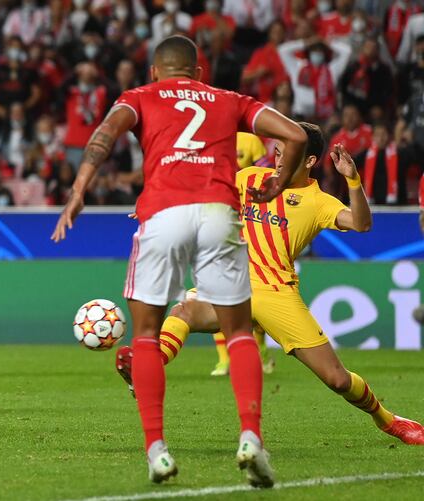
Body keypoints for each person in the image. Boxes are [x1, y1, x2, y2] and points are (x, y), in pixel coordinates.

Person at [51, 35, 308, 487]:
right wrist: (279, 181)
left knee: (147, 335)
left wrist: (78, 190)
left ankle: (157, 451)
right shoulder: (229, 99)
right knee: (240, 331)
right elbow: (297, 134)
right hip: (218, 212)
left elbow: (103, 136)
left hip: (163, 213)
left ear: (154, 71)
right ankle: (250, 438)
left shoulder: (139, 97)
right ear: (198, 73)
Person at [115, 123, 424, 446]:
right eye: (277, 152)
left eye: (288, 154)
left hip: (277, 293)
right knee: (185, 311)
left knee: (337, 379)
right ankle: (145, 368)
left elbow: (362, 223)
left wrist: (352, 180)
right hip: (231, 282)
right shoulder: (249, 178)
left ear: (308, 162)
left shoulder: (318, 201)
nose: (278, 160)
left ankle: (389, 421)